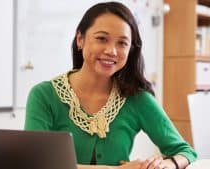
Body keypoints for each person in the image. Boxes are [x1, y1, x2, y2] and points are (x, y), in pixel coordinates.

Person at [25, 2, 197, 169]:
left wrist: (164, 164)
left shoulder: (136, 98)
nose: (111, 51)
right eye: (101, 39)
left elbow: (186, 152)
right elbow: (35, 162)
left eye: (122, 43)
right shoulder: (44, 95)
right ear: (80, 39)